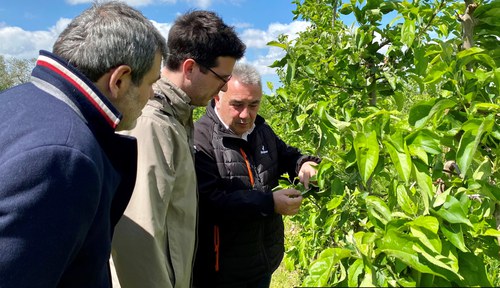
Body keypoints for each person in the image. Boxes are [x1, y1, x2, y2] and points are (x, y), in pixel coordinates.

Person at [0, 2, 167, 287]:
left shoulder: (15, 102)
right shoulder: (64, 158)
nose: (152, 95)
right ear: (120, 80)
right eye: (152, 83)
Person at [111, 10, 246, 288]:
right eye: (222, 78)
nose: (222, 89)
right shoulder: (153, 125)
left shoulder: (177, 119)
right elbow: (138, 236)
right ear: (189, 68)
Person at [192, 63, 320, 288]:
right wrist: (269, 204)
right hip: (221, 272)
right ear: (217, 98)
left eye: (254, 104)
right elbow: (210, 202)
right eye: (237, 105)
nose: (246, 114)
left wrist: (304, 164)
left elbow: (286, 156)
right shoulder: (201, 139)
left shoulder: (261, 130)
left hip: (262, 261)